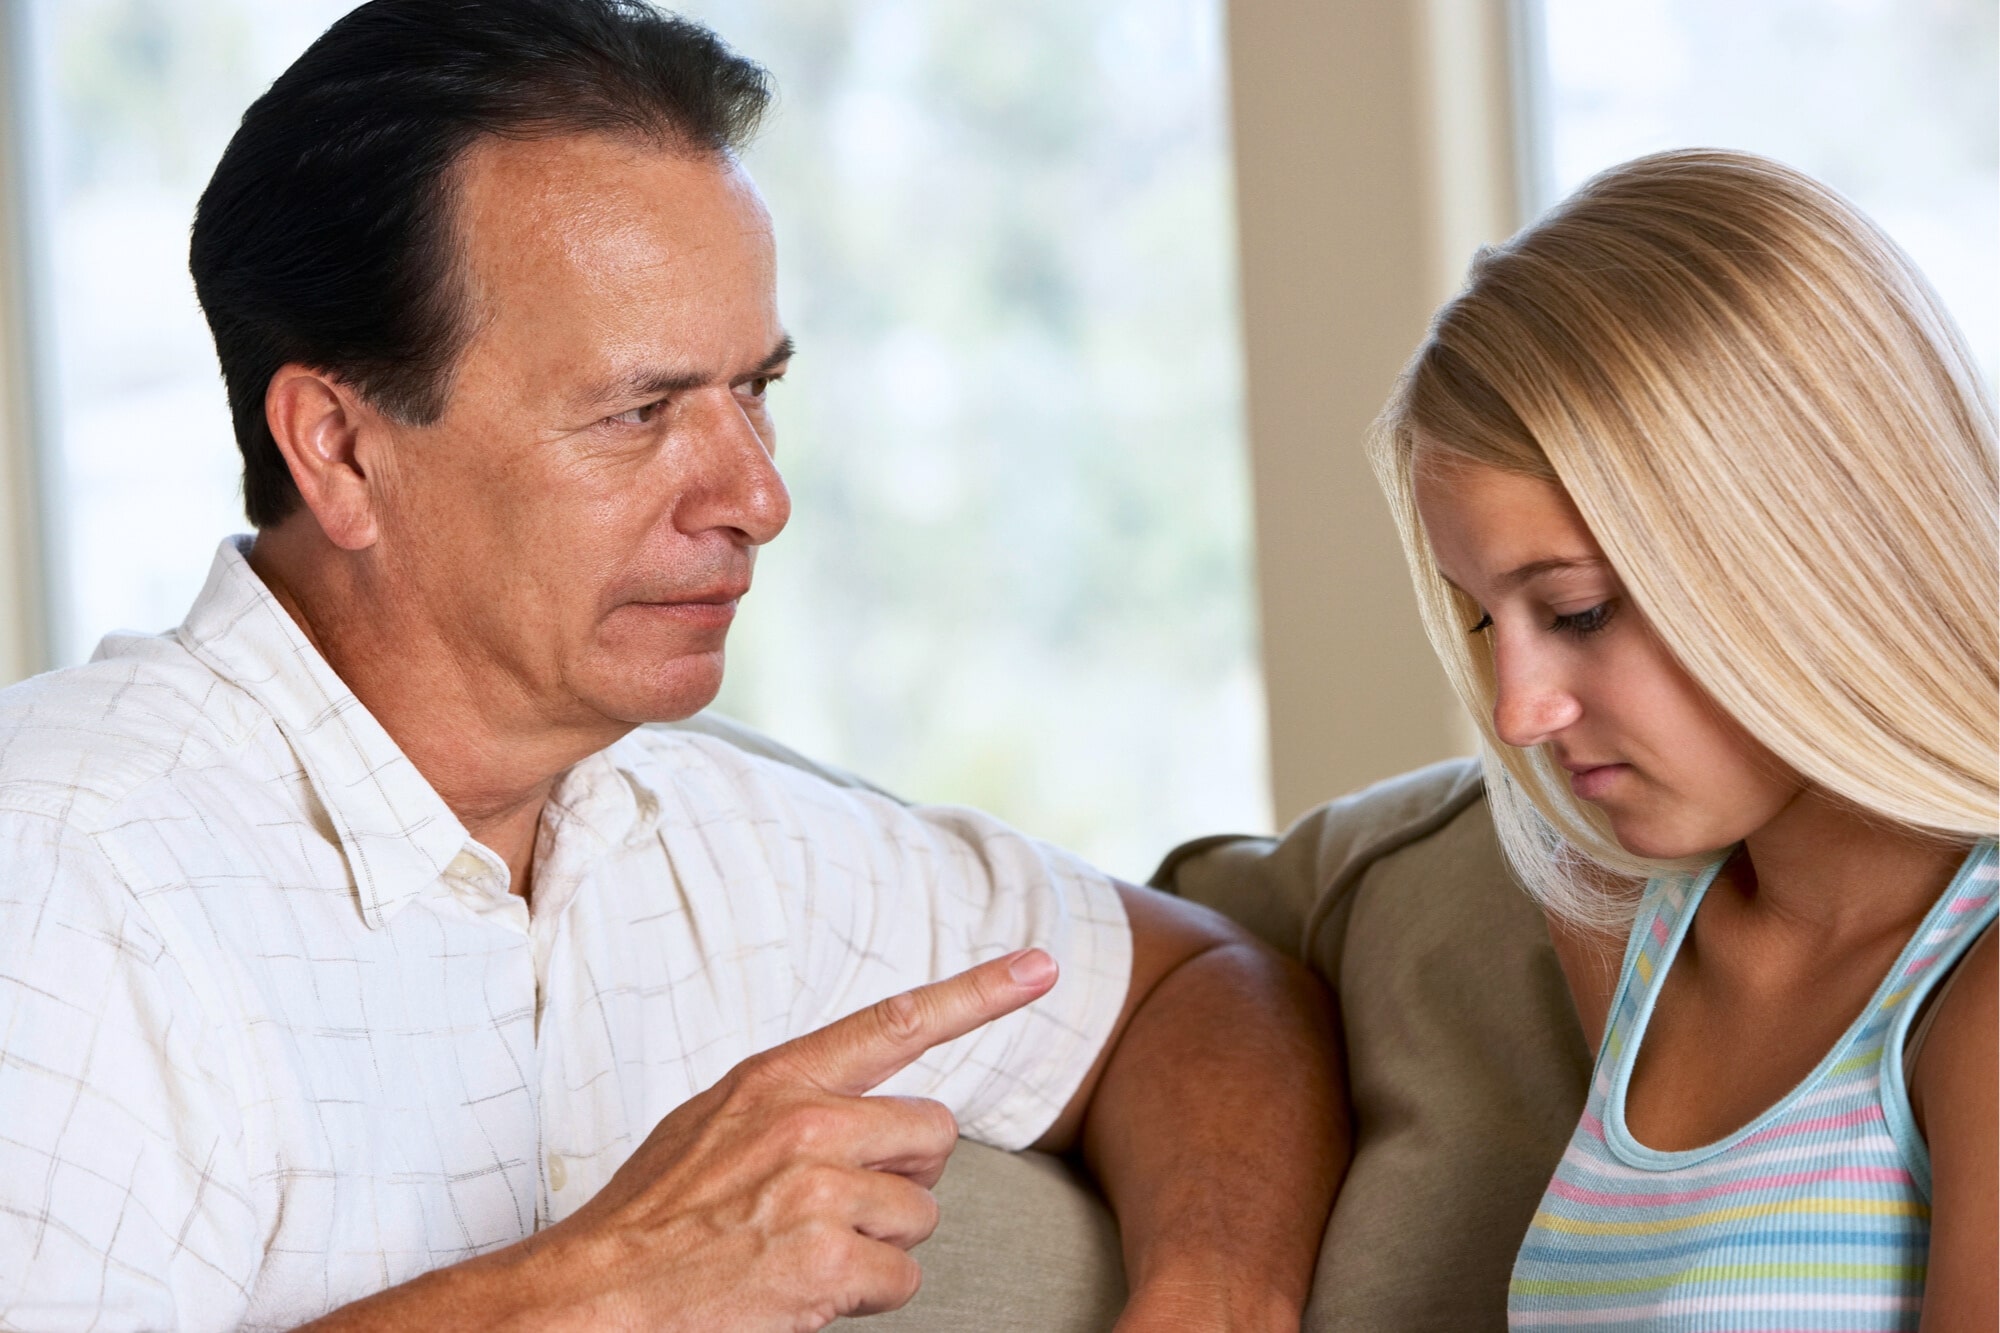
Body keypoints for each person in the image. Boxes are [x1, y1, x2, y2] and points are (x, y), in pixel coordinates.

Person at [0, 2, 1345, 1328]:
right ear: (342, 449)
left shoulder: (715, 840)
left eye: (753, 390)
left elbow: (1205, 989)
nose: (759, 498)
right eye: (640, 411)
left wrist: (1211, 1300)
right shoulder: (61, 878)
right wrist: (606, 1287)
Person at [1371, 149, 1997, 1330]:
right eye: (1479, 618)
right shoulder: (1626, 921)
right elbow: (1200, 942)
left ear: (1813, 546)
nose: (1516, 710)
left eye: (1577, 611)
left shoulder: (1971, 974)